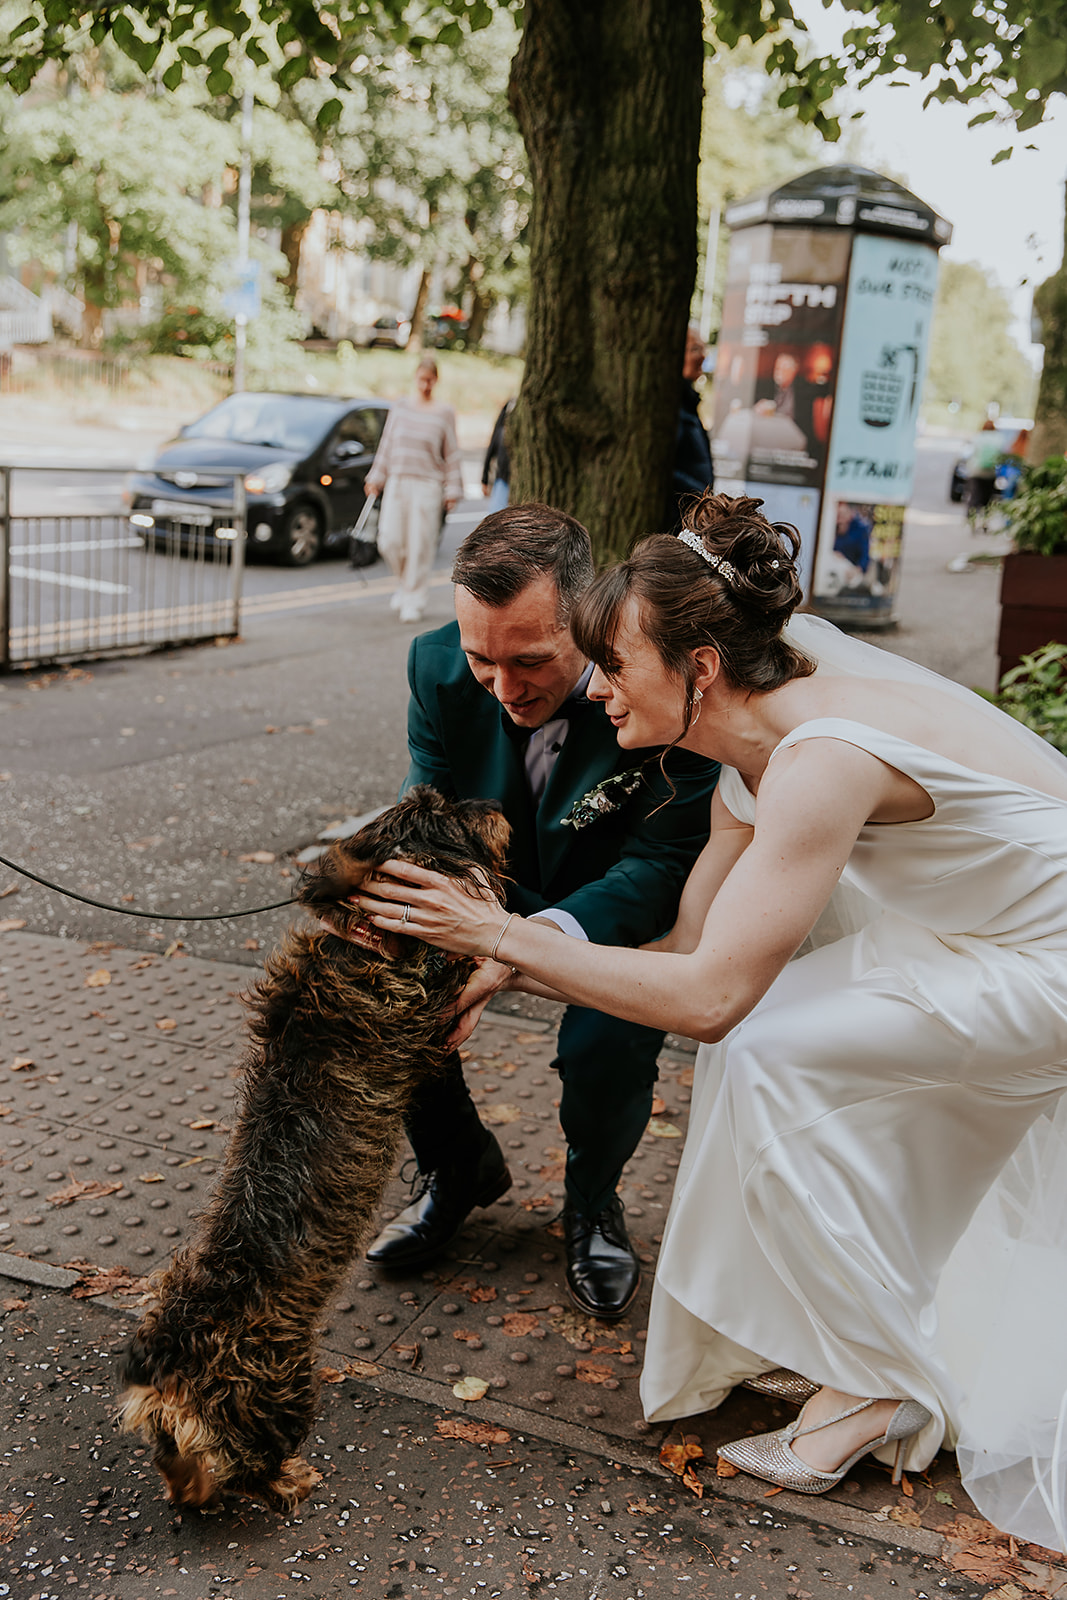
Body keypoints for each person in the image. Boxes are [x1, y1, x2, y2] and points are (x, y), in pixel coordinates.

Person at [355, 491, 1067, 1550]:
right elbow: (685, 956)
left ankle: (876, 1385)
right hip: (969, 942)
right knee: (761, 1052)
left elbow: (713, 1002)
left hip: (1043, 964)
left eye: (615, 666)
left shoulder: (821, 757)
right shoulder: (748, 755)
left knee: (768, 1043)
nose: (594, 690)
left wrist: (506, 939)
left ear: (696, 667)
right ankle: (846, 1327)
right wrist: (504, 971)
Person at [363, 504, 720, 1320]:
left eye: (528, 661)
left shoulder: (657, 688)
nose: (502, 688)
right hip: (497, 884)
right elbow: (433, 819)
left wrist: (520, 946)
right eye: (481, 658)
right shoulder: (435, 669)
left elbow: (660, 859)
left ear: (586, 621)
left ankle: (592, 1201)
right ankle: (458, 1168)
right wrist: (438, 918)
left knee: (607, 1044)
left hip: (615, 905)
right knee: (387, 976)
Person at [364, 357, 462, 623]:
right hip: (397, 481)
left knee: (421, 545)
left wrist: (452, 489)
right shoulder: (401, 407)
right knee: (389, 540)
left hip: (428, 484)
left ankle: (414, 599)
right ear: (415, 377)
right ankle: (404, 583)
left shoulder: (444, 412)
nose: (425, 384)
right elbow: (386, 445)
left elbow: (451, 453)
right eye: (421, 379)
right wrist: (376, 476)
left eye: (430, 380)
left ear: (436, 380)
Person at [672, 325, 714, 522]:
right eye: (695, 349)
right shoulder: (671, 405)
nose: (703, 356)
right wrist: (701, 497)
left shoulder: (687, 401)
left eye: (703, 349)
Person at [963, 418, 1002, 522]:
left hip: (976, 471)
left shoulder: (978, 437)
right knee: (988, 497)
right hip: (991, 472)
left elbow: (969, 453)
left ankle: (970, 517)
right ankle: (985, 520)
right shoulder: (998, 438)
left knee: (975, 494)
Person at [481, 398, 513, 513]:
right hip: (503, 478)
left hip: (508, 478)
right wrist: (485, 478)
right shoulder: (509, 407)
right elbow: (492, 448)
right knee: (497, 515)